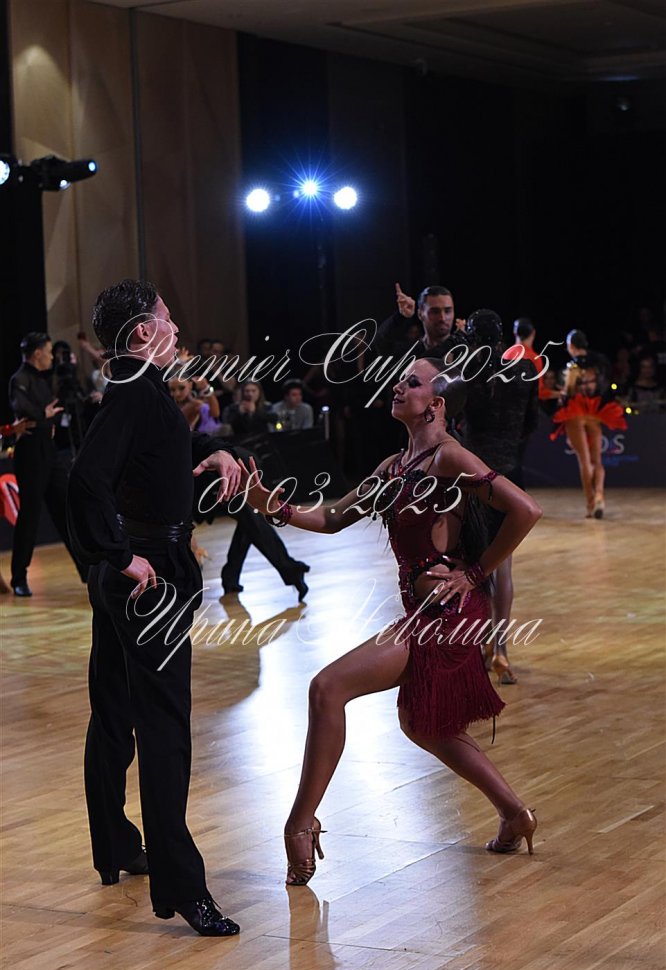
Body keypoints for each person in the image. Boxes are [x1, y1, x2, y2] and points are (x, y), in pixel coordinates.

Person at [239, 356, 542, 886]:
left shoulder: (448, 457)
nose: (398, 386)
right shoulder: (394, 467)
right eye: (398, 379)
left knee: (327, 688)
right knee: (422, 724)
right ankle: (515, 813)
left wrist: (474, 573)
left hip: (447, 616)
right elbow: (333, 517)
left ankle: (299, 824)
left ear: (436, 404)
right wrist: (275, 508)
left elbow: (525, 509)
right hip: (424, 611)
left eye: (411, 382)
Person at [66, 279, 241, 937]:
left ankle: (115, 843)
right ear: (143, 331)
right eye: (167, 318)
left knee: (113, 710)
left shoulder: (134, 388)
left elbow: (150, 457)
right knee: (165, 730)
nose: (175, 328)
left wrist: (209, 451)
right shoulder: (137, 392)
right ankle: (184, 889)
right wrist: (122, 556)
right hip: (148, 580)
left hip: (132, 576)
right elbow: (86, 480)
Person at [458, 310, 540, 684]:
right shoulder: (525, 370)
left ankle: (477, 646)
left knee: (473, 564)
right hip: (511, 473)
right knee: (503, 564)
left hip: (476, 476)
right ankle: (501, 650)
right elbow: (531, 422)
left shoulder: (470, 373)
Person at [8, 332, 88, 596]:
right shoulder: (19, 379)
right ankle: (19, 578)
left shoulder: (42, 381)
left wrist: (44, 419)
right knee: (29, 516)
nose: (52, 357)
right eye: (49, 351)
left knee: (65, 511)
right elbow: (23, 409)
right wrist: (43, 415)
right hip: (30, 455)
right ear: (37, 353)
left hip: (49, 452)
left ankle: (87, 571)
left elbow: (44, 416)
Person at [550, 330, 626, 519]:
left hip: (575, 412)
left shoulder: (573, 366)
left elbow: (567, 394)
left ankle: (591, 504)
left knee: (584, 461)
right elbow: (605, 388)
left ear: (571, 346)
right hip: (595, 412)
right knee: (597, 461)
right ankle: (600, 495)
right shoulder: (598, 363)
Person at [374, 283, 457, 359]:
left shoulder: (461, 350)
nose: (442, 318)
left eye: (448, 311)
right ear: (420, 314)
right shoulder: (410, 353)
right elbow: (382, 343)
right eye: (435, 312)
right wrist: (400, 316)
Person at [503, 318, 559, 403]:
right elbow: (539, 392)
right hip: (524, 407)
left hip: (506, 405)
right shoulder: (535, 358)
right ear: (533, 333)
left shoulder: (506, 354)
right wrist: (561, 394)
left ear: (515, 332)